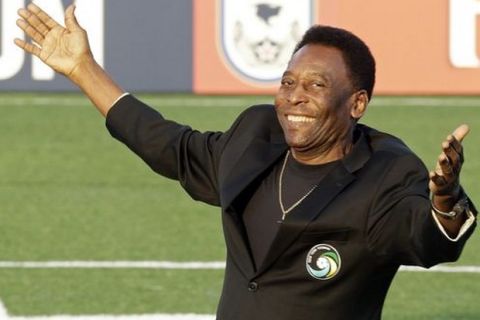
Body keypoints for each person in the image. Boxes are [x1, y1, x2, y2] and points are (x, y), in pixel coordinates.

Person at [15, 3, 476, 320]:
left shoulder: (386, 172)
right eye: (288, 82)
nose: (295, 97)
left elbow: (429, 240)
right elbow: (169, 146)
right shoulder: (256, 137)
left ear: (356, 104)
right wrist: (82, 68)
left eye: (316, 86)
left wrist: (444, 199)